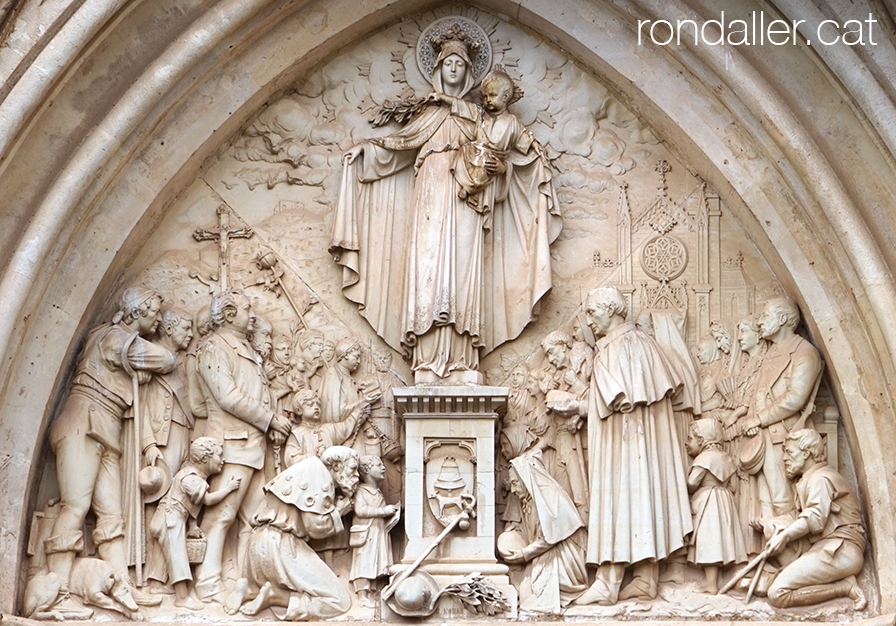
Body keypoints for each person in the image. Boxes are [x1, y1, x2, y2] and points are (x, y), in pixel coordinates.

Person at [331, 25, 560, 381]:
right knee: (428, 268)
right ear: (437, 68)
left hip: (466, 203)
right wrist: (365, 152)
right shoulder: (428, 114)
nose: (453, 69)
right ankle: (426, 356)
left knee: (463, 269)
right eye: (448, 63)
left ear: (470, 73)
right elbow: (399, 147)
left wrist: (502, 169)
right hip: (430, 196)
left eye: (460, 64)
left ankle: (463, 359)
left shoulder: (482, 119)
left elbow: (507, 156)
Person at [553, 286, 691, 605]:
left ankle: (609, 579)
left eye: (593, 312)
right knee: (640, 499)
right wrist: (579, 406)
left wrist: (575, 406)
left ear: (612, 311)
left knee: (620, 499)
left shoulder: (620, 347)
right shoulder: (639, 344)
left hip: (626, 445)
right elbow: (619, 398)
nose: (588, 320)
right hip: (636, 442)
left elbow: (617, 401)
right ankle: (644, 577)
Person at [44, 286, 176, 612]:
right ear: (136, 311)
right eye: (154, 311)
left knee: (111, 515)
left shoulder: (122, 342)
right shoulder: (113, 338)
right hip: (83, 423)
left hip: (106, 428)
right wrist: (142, 366)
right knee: (75, 506)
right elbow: (166, 358)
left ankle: (123, 588)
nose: (158, 319)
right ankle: (59, 593)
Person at [193, 289, 292, 602]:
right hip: (231, 444)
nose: (253, 315)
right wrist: (269, 418)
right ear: (230, 313)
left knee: (255, 519)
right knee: (221, 515)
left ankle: (242, 580)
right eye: (247, 309)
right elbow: (227, 395)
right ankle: (208, 584)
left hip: (251, 448)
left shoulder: (242, 347)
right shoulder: (214, 347)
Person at [227, 455, 353, 620]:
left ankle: (249, 588)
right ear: (336, 467)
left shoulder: (304, 470)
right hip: (282, 546)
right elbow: (314, 526)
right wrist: (338, 512)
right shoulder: (320, 476)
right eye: (353, 469)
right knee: (339, 601)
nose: (356, 476)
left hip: (257, 544)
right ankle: (276, 596)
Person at [754, 429, 866, 609]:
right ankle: (790, 575)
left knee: (777, 594)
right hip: (825, 547)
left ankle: (844, 587)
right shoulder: (809, 479)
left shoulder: (821, 478)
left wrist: (784, 536)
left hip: (840, 550)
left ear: (806, 453)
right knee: (773, 527)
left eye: (789, 452)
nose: (784, 458)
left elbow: (815, 517)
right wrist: (768, 522)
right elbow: (798, 516)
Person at [739, 297, 823, 517]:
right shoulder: (770, 353)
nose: (760, 322)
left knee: (782, 501)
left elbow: (796, 398)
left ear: (783, 319)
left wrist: (759, 419)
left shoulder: (804, 352)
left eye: (766, 316)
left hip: (782, 436)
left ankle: (792, 547)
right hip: (759, 437)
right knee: (764, 503)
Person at [149, 438, 241, 609]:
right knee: (177, 555)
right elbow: (207, 500)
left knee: (164, 553)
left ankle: (156, 585)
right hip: (170, 519)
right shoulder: (191, 478)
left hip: (169, 518)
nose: (223, 460)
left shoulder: (193, 476)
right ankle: (182, 597)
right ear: (205, 458)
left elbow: (191, 504)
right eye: (219, 456)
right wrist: (228, 488)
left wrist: (193, 526)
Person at [499, 450, 587, 614]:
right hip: (548, 551)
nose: (512, 489)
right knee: (525, 588)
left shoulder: (549, 494)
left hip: (567, 555)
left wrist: (524, 554)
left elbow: (549, 538)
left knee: (534, 597)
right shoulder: (529, 500)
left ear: (526, 479)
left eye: (515, 483)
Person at [685, 419, 746, 594]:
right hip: (724, 501)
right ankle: (720, 580)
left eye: (690, 439)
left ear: (702, 440)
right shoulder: (726, 458)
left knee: (710, 541)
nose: (686, 443)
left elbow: (691, 483)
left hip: (709, 502)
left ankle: (711, 584)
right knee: (721, 541)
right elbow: (733, 486)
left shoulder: (704, 458)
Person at [349, 456, 400, 607]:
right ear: (366, 470)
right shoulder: (361, 491)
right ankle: (362, 595)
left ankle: (372, 590)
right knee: (364, 561)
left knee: (375, 561)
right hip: (366, 533)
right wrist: (383, 511)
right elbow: (361, 510)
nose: (383, 467)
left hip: (377, 532)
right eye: (379, 465)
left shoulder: (377, 492)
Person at [283, 389, 368, 467]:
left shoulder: (329, 428)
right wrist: (314, 454)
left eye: (317, 404)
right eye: (310, 404)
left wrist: (359, 412)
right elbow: (291, 460)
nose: (316, 407)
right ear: (299, 410)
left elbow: (346, 427)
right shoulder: (297, 433)